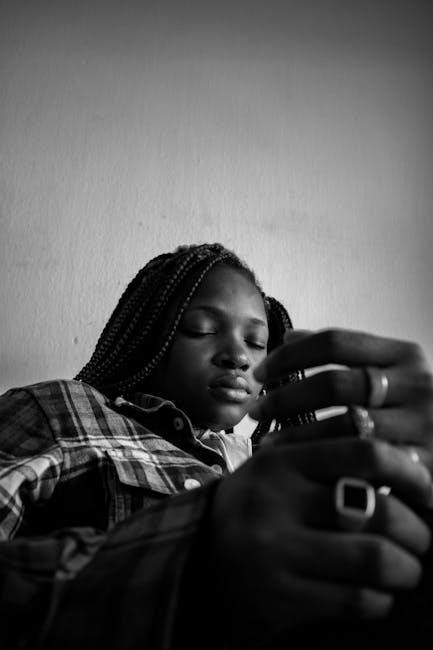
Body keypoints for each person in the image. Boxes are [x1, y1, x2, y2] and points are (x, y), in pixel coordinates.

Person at [0, 242, 433, 650]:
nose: (238, 356)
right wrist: (198, 552)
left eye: (256, 342)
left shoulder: (271, 466)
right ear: (150, 335)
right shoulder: (64, 409)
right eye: (202, 330)